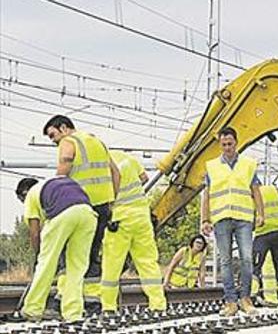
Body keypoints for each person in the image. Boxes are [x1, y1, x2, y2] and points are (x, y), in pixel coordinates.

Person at [44, 115, 120, 312]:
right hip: (102, 206)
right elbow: (116, 174)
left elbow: (64, 168)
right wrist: (112, 200)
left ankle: (63, 297)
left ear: (63, 128)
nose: (53, 140)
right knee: (93, 255)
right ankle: (92, 299)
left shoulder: (68, 142)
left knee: (69, 254)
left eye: (53, 135)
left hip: (78, 206)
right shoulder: (97, 142)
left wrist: (54, 194)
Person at [201, 127, 264, 316]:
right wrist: (205, 219)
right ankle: (230, 302)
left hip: (244, 218)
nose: (227, 147)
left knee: (246, 258)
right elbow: (207, 194)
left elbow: (256, 191)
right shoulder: (212, 166)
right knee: (225, 260)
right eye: (223, 144)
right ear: (220, 145)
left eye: (230, 144)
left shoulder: (248, 164)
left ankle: (245, 298)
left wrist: (260, 213)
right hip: (221, 218)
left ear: (236, 143)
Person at [16, 176, 97, 322]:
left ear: (23, 194)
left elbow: (35, 232)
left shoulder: (31, 195)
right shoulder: (54, 182)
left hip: (63, 213)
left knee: (46, 264)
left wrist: (39, 254)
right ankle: (73, 313)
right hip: (88, 213)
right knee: (77, 267)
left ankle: (32, 309)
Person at [100, 151, 166, 314]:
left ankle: (108, 306)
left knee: (112, 264)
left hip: (120, 219)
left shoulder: (101, 164)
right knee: (148, 262)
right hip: (142, 216)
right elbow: (144, 178)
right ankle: (157, 304)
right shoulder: (129, 158)